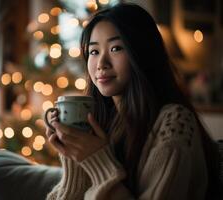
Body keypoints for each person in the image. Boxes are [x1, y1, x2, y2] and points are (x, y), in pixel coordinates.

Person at [45, 3, 222, 200]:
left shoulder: (174, 121)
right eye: (94, 52)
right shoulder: (102, 119)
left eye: (116, 48)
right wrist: (73, 156)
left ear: (142, 53)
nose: (101, 64)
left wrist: (96, 159)